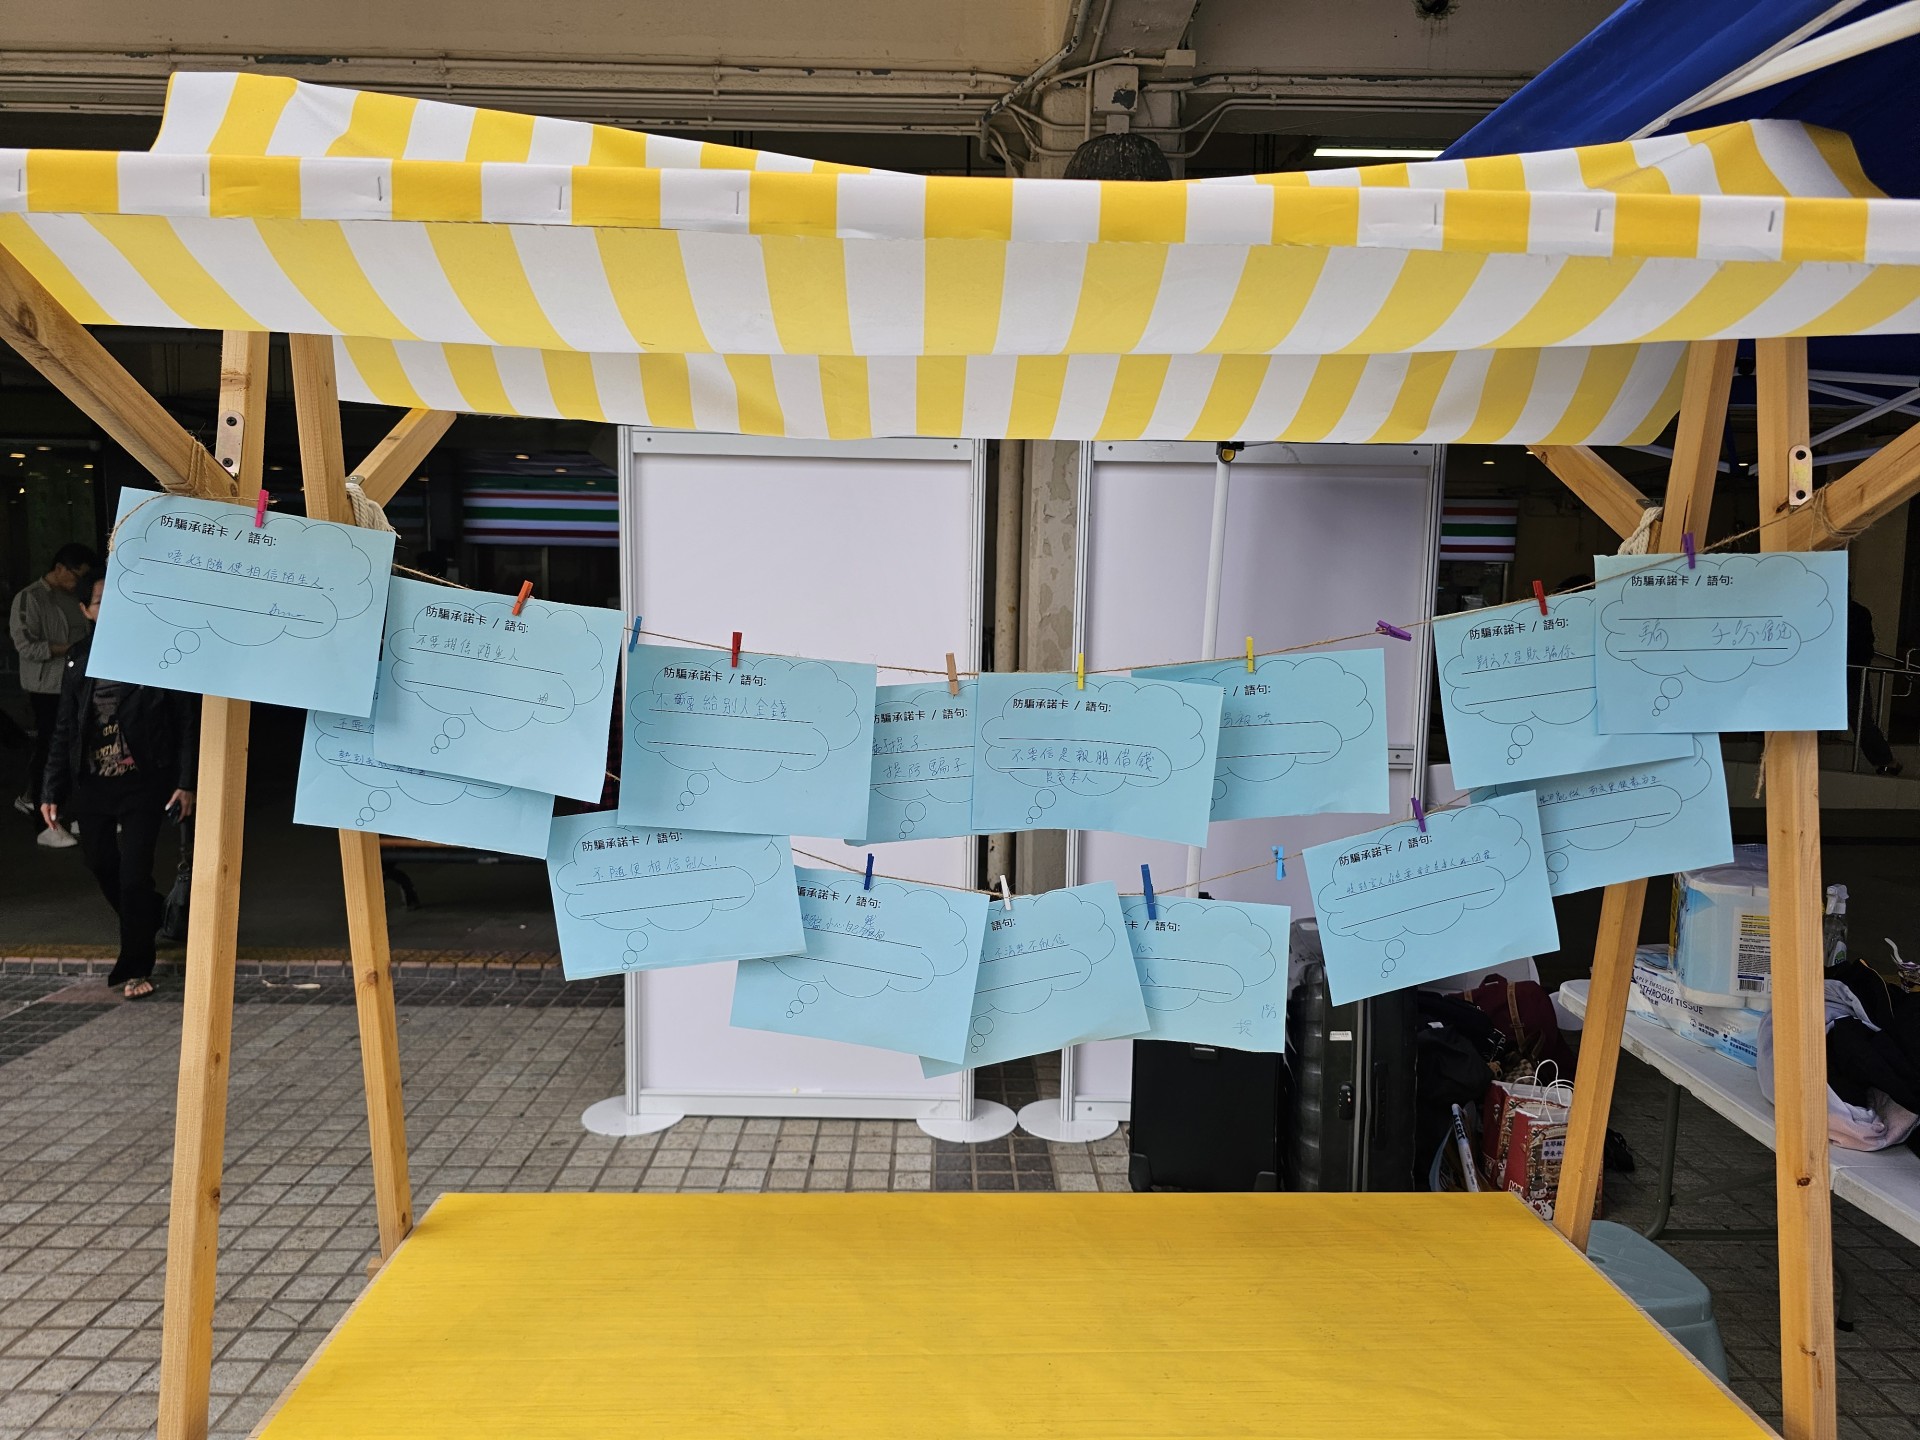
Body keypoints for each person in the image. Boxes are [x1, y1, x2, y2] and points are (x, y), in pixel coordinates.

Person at [39, 572, 197, 998]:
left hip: (143, 783)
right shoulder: (78, 659)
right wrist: (51, 790)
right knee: (101, 864)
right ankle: (149, 914)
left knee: (132, 877)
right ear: (85, 611)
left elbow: (185, 720)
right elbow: (64, 729)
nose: (110, 608)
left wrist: (186, 782)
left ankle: (136, 966)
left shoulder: (157, 652)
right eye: (99, 602)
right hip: (93, 786)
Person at [10, 541, 97, 846]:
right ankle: (44, 822)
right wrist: (71, 650)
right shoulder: (30, 598)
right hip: (45, 687)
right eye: (76, 575)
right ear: (59, 568)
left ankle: (76, 815)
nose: (79, 582)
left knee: (80, 746)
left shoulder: (73, 598)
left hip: (74, 682)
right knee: (50, 750)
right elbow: (27, 646)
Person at [1847, 598, 1902, 777]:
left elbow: (1863, 648)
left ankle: (1885, 761)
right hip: (1852, 674)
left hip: (1847, 674)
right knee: (1861, 719)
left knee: (1860, 718)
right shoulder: (1858, 612)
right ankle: (1886, 761)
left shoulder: (1855, 612)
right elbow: (1865, 648)